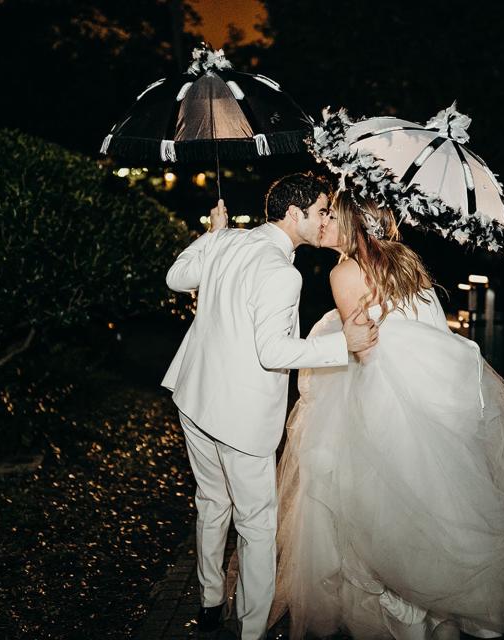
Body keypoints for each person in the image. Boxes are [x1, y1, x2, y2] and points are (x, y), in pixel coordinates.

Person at [271, 190, 504, 640]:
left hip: (384, 406)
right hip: (438, 405)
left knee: (384, 526)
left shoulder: (344, 272)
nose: (324, 220)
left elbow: (362, 346)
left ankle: (412, 619)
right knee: (439, 515)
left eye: (332, 213)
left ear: (351, 223)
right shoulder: (405, 262)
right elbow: (426, 330)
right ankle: (445, 616)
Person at [161, 173, 380, 640]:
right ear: (294, 214)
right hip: (238, 415)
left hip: (194, 396)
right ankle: (252, 631)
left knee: (211, 502)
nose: (326, 219)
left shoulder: (229, 241)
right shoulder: (283, 274)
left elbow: (176, 277)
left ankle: (209, 602)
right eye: (321, 211)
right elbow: (273, 353)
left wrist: (212, 234)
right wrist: (345, 344)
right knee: (257, 525)